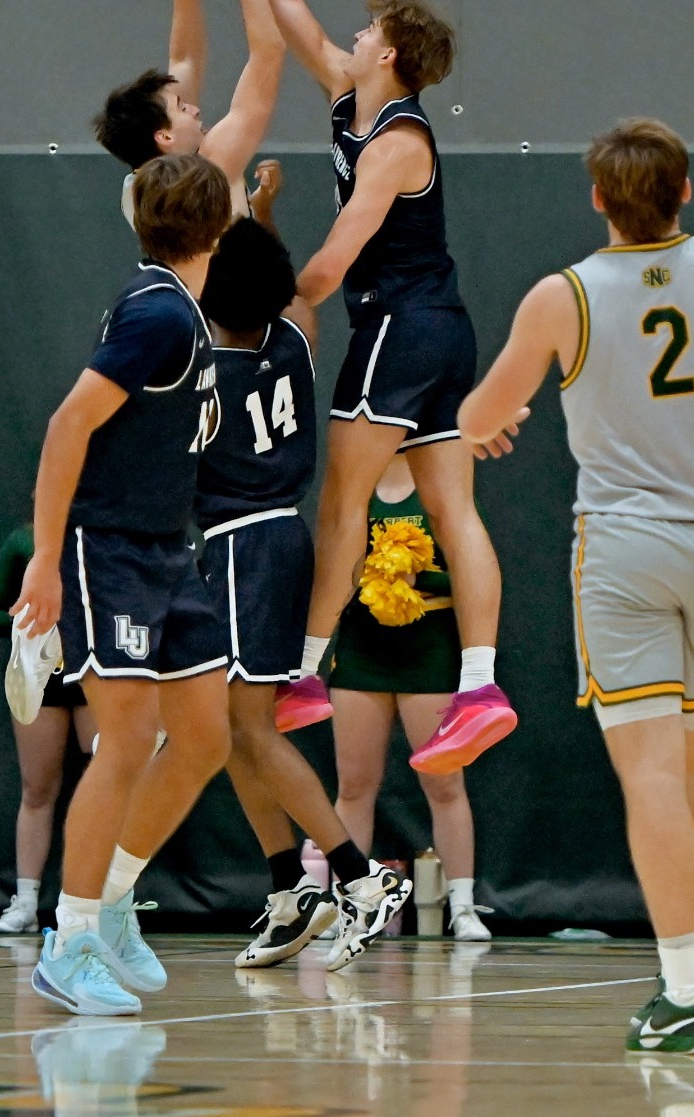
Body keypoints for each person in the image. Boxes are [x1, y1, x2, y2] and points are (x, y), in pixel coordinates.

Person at [456, 118, 694, 1055]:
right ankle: (691, 980)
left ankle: (687, 986)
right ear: (687, 190)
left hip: (624, 548)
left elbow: (477, 415)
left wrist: (490, 423)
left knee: (653, 772)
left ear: (597, 199)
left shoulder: (563, 296)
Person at [200, 0, 516, 773]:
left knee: (341, 498)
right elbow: (288, 4)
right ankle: (479, 686)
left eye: (372, 29)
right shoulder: (354, 95)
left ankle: (302, 670)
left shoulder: (396, 144)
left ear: (394, 53)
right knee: (450, 505)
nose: (357, 32)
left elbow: (335, 262)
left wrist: (264, 308)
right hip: (441, 329)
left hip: (402, 325)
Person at [12, 152, 234, 1017]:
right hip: (108, 551)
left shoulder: (176, 305)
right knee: (129, 735)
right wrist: (44, 557)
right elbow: (69, 423)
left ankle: (109, 902)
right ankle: (67, 942)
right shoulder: (158, 317)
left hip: (168, 551)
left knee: (206, 735)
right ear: (216, 230)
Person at [194, 218, 413, 971]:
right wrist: (265, 219)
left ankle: (357, 875)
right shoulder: (291, 340)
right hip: (281, 538)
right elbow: (291, 298)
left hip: (240, 545)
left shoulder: (206, 376)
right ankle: (290, 887)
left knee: (251, 731)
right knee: (231, 730)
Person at [328, 454, 493, 942]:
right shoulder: (355, 471)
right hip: (362, 647)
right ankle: (348, 907)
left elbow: (469, 565)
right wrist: (371, 577)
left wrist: (421, 578)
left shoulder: (443, 470)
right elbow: (335, 557)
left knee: (443, 784)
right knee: (355, 785)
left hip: (430, 647)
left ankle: (463, 907)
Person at [94, 0, 283, 222]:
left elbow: (185, 59)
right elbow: (269, 52)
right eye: (182, 108)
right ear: (164, 137)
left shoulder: (137, 187)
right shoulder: (212, 169)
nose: (194, 108)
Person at [0, 521, 98, 935]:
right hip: (39, 674)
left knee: (105, 784)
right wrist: (34, 621)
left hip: (94, 673)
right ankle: (26, 901)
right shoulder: (22, 539)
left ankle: (104, 901)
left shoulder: (106, 535)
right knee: (38, 789)